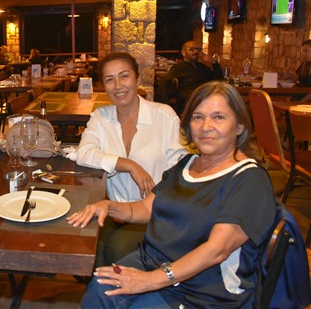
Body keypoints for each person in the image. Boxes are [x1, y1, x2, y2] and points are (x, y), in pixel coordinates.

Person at [70, 81, 276, 308]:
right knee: (99, 289)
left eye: (219, 117)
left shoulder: (249, 179)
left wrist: (149, 280)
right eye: (198, 117)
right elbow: (147, 208)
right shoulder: (187, 163)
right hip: (154, 261)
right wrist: (108, 206)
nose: (206, 126)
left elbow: (217, 250)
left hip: (204, 290)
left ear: (239, 127)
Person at [69, 52, 186, 265]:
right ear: (103, 86)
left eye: (124, 76)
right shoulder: (100, 117)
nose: (118, 86)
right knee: (81, 239)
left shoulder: (164, 116)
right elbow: (84, 154)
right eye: (110, 79)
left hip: (155, 214)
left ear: (137, 78)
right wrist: (128, 165)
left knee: (116, 251)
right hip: (115, 211)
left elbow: (179, 172)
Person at [158, 41, 223, 115]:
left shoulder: (202, 67)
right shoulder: (179, 67)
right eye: (192, 49)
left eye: (198, 50)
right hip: (189, 103)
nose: (196, 52)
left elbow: (219, 80)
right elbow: (163, 83)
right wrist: (166, 106)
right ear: (183, 52)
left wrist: (213, 62)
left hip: (206, 100)